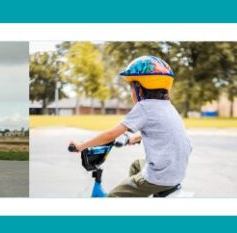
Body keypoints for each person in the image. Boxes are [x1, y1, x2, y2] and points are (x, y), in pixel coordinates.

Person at [69, 56, 193, 197]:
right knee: (137, 165)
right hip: (176, 172)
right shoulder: (167, 106)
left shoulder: (144, 107)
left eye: (131, 87)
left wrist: (81, 146)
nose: (131, 92)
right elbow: (164, 132)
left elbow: (110, 135)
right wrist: (136, 137)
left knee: (112, 197)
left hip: (158, 177)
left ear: (140, 88)